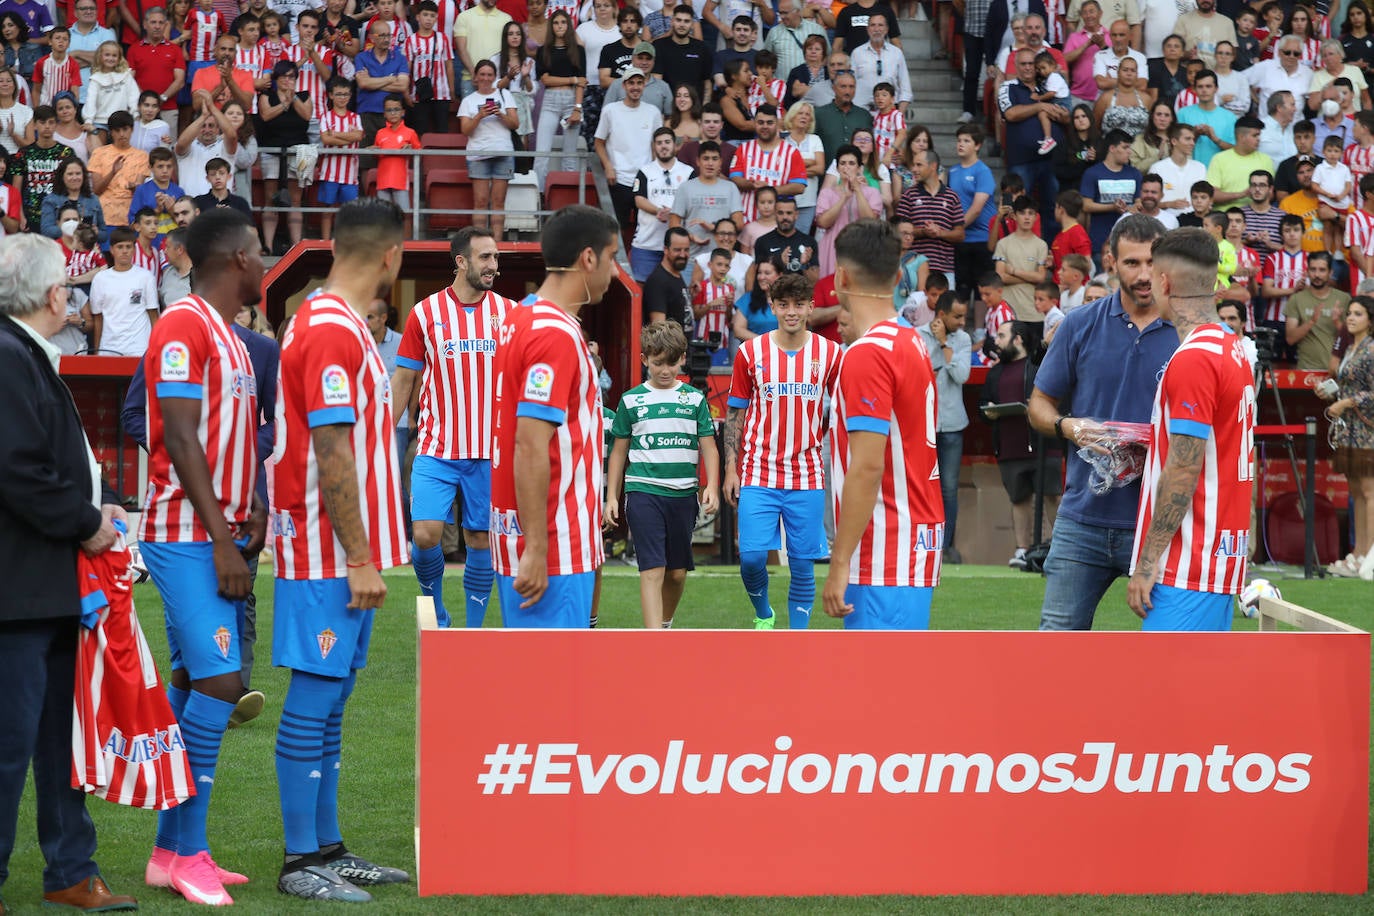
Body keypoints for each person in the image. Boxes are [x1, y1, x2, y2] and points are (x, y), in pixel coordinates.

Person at [269, 198, 410, 902]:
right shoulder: (329, 328)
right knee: (315, 695)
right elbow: (331, 450)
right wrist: (358, 554)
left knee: (335, 698)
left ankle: (327, 847)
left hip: (344, 550)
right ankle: (299, 862)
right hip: (326, 552)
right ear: (391, 255)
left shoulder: (340, 322)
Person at [0, 232, 140, 914]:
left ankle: (70, 871)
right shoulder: (7, 357)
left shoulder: (25, 354)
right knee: (9, 746)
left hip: (47, 588)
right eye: (68, 286)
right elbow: (18, 471)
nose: (73, 296)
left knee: (63, 740)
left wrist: (94, 503)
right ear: (52, 294)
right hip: (18, 590)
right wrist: (88, 524)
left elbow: (45, 465)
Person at [136, 207, 266, 906]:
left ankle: (172, 850)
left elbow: (236, 437)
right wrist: (222, 538)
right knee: (220, 685)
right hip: (185, 533)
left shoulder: (235, 339)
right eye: (263, 252)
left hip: (218, 531)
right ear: (239, 258)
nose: (268, 262)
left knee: (193, 683)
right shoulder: (184, 324)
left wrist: (256, 514)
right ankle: (188, 855)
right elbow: (181, 438)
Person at [1028, 214, 1177, 630]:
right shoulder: (1079, 324)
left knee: (1172, 656)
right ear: (1110, 261)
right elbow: (1038, 403)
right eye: (1133, 263)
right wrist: (1068, 427)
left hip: (1159, 524)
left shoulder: (1189, 332)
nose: (1145, 274)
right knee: (1056, 645)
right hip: (1083, 519)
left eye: (1152, 262)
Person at [490, 205, 617, 626]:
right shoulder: (554, 332)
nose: (614, 272)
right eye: (612, 257)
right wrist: (539, 548)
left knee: (533, 681)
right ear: (588, 258)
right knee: (552, 685)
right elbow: (529, 443)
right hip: (553, 542)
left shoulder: (520, 317)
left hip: (523, 533)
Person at [1127, 227, 1255, 629]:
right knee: (1201, 690)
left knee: (1166, 690)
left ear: (1164, 282)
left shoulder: (1195, 358)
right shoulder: (1231, 345)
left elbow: (1184, 469)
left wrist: (1147, 563)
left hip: (1188, 563)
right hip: (1218, 556)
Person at [388, 228, 515, 629]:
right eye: (484, 258)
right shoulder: (424, 313)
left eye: (495, 257)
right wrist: (380, 438)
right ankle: (437, 612)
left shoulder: (511, 314)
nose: (493, 266)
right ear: (460, 262)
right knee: (425, 534)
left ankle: (472, 632)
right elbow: (404, 379)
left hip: (490, 451)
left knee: (480, 540)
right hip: (436, 447)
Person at [820, 217, 941, 628]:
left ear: (841, 277)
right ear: (896, 276)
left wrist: (839, 563)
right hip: (907, 536)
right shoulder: (911, 339)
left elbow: (868, 465)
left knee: (883, 687)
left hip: (885, 544)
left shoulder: (868, 352)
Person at [723, 270, 841, 629]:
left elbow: (842, 412)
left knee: (803, 563)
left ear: (811, 306)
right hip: (758, 471)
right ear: (772, 306)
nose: (792, 311)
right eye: (784, 304)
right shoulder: (750, 352)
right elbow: (735, 415)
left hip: (807, 474)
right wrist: (732, 469)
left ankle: (797, 637)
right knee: (752, 558)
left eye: (799, 304)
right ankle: (763, 614)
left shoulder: (832, 354)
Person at [605, 321, 720, 629]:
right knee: (652, 569)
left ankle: (665, 626)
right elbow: (618, 451)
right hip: (643, 491)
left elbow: (709, 446)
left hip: (683, 495)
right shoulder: (632, 400)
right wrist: (611, 498)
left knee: (677, 573)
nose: (665, 370)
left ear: (682, 358)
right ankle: (653, 641)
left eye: (671, 362)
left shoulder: (694, 400)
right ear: (645, 360)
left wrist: (712, 487)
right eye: (657, 363)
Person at [981, 320, 1062, 569]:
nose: (997, 341)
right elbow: (983, 406)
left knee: (1053, 496)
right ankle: (1022, 549)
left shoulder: (1037, 366)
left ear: (1018, 339)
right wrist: (989, 412)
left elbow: (1055, 393)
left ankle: (1060, 547)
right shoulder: (995, 372)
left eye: (1002, 335)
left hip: (1043, 443)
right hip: (1009, 446)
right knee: (1018, 499)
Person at [1316, 296, 1374, 578]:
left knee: (1368, 491)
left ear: (1370, 320)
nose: (1351, 318)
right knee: (1355, 493)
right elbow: (1348, 384)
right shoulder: (1352, 348)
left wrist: (1347, 402)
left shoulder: (1372, 349)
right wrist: (1331, 393)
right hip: (1347, 429)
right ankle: (1358, 552)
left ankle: (1368, 555)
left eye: (1358, 314)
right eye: (1349, 313)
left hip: (1368, 430)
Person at [917, 290, 971, 565]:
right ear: (941, 314)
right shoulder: (916, 335)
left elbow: (961, 375)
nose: (962, 322)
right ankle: (920, 547)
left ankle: (945, 548)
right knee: (920, 487)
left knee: (948, 488)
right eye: (957, 316)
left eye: (964, 316)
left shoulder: (962, 339)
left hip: (951, 424)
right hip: (921, 424)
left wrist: (943, 343)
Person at [1000, 47, 1067, 240]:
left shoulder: (1048, 85)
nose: (1029, 68)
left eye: (1032, 64)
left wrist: (1062, 115)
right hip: (1021, 160)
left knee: (1053, 209)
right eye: (1024, 64)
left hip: (1053, 159)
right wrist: (1040, 106)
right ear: (1016, 66)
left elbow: (1068, 116)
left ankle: (1051, 255)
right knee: (1016, 208)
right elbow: (1010, 113)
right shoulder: (1008, 87)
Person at [456, 59, 518, 238]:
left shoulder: (505, 94)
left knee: (498, 202)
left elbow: (515, 124)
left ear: (494, 77)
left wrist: (499, 114)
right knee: (481, 201)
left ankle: (496, 244)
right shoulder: (468, 100)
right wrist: (479, 115)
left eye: (489, 74)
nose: (485, 78)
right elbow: (465, 130)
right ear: (475, 77)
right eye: (482, 74)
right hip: (478, 154)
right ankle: (480, 243)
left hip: (503, 152)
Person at [595, 67, 661, 235]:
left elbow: (656, 145)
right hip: (619, 179)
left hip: (645, 179)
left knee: (647, 230)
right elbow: (599, 142)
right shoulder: (610, 110)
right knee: (616, 230)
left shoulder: (653, 112)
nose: (635, 87)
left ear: (644, 85)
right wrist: (608, 167)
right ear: (624, 86)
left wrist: (656, 173)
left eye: (639, 83)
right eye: (631, 83)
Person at [669, 139, 743, 282]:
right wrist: (690, 237)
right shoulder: (686, 188)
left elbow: (739, 224)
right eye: (706, 158)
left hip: (723, 263)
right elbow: (673, 223)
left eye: (714, 159)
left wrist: (714, 228)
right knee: (690, 303)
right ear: (698, 161)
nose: (710, 163)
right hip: (691, 260)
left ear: (721, 162)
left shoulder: (730, 188)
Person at [629, 126, 695, 283]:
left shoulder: (688, 172)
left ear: (675, 145)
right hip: (647, 244)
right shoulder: (644, 171)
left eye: (667, 142)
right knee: (642, 289)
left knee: (679, 291)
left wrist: (674, 215)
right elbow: (639, 199)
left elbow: (694, 203)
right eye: (659, 143)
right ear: (654, 146)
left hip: (679, 248)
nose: (663, 146)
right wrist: (658, 211)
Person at [89, 225, 158, 355]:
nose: (124, 251)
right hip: (108, 349)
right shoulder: (100, 279)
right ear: (112, 250)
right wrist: (97, 352)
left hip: (140, 348)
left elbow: (153, 316)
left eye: (128, 246)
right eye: (120, 247)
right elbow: (98, 319)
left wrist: (156, 350)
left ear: (134, 249)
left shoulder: (146, 277)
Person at [1080, 128, 1142, 262]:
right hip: (1100, 241)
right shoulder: (1092, 173)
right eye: (1125, 147)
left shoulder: (1135, 174)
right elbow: (1085, 205)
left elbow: (1139, 201)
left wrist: (1135, 207)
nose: (1129, 151)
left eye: (1129, 147)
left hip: (1129, 241)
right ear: (1112, 148)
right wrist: (1111, 207)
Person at [127, 6, 187, 136]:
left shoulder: (174, 50)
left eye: (161, 23)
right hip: (140, 110)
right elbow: (129, 79)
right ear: (145, 24)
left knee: (166, 150)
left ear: (166, 25)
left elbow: (180, 80)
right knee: (139, 148)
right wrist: (146, 102)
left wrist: (161, 98)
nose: (157, 26)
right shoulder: (134, 49)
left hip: (168, 109)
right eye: (153, 22)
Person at [1285, 250, 1349, 370]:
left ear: (1330, 272)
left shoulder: (1344, 299)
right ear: (1307, 272)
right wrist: (1311, 322)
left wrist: (1337, 323)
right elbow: (1290, 339)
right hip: (1306, 370)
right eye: (1313, 269)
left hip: (1337, 370)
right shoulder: (1296, 299)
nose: (1317, 275)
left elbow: (1354, 340)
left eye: (1322, 270)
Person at [994, 196, 1051, 321]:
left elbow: (1040, 277)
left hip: (1034, 314)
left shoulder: (1041, 245)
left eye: (1031, 213)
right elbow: (1000, 277)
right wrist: (1030, 278)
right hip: (1008, 314)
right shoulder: (1003, 244)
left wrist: (1014, 271)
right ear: (1014, 216)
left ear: (1036, 217)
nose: (1026, 217)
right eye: (1022, 213)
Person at [642, 225, 694, 330]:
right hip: (672, 346)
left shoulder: (676, 274)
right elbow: (659, 328)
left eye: (686, 250)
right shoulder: (658, 281)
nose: (683, 255)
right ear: (666, 250)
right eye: (677, 250)